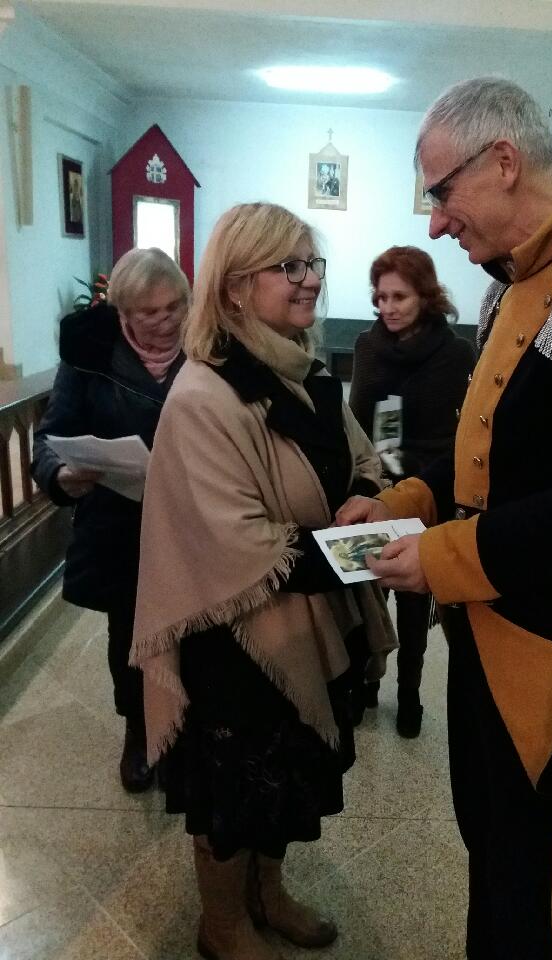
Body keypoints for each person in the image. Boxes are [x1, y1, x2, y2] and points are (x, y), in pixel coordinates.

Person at [337, 77, 552, 960]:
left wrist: (442, 557)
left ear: (502, 161)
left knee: (537, 898)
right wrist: (406, 504)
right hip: (485, 637)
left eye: (441, 192)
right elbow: (489, 457)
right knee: (495, 861)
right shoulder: (517, 282)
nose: (435, 225)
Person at [129, 203, 395, 960]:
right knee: (237, 791)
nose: (310, 280)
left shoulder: (307, 370)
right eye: (290, 266)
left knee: (289, 779)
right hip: (236, 635)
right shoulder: (202, 396)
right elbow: (244, 546)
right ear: (236, 287)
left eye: (312, 263)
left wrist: (369, 499)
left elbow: (365, 461)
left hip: (312, 609)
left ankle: (268, 894)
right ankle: (222, 923)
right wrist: (371, 549)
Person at [32, 247, 188, 793]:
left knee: (192, 629)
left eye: (174, 307)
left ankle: (183, 733)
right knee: (130, 636)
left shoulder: (207, 349)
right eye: (149, 312)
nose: (165, 321)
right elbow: (49, 437)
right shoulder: (89, 355)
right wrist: (61, 474)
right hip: (120, 527)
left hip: (190, 525)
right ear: (122, 311)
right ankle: (138, 732)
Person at [349, 245, 475, 736]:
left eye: (399, 296)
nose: (388, 307)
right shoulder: (367, 346)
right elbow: (358, 424)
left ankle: (409, 696)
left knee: (415, 603)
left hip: (429, 490)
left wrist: (421, 482)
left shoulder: (457, 353)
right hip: (378, 488)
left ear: (425, 295)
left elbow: (460, 439)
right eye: (380, 297)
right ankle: (367, 683)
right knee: (368, 597)